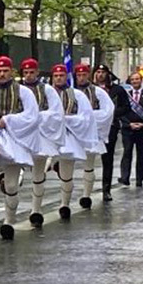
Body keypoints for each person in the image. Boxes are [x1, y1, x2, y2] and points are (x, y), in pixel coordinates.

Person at [0, 56, 40, 241]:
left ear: (11, 72)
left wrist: (9, 120)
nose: (1, 74)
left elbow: (32, 116)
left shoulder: (24, 92)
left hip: (15, 138)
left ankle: (9, 221)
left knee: (11, 186)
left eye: (5, 71)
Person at [19, 58, 63, 228]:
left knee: (38, 175)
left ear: (37, 72)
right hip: (21, 135)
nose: (29, 76)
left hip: (40, 135)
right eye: (25, 73)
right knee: (15, 166)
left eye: (31, 72)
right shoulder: (18, 90)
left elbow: (56, 113)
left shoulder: (47, 90)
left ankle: (36, 211)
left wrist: (37, 117)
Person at [48, 65, 96, 221]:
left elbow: (85, 117)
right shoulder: (46, 94)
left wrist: (66, 120)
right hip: (48, 137)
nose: (59, 78)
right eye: (56, 75)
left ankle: (64, 204)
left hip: (68, 138)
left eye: (61, 75)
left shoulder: (76, 95)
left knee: (66, 174)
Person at [73, 64, 114, 210]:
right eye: (79, 75)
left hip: (91, 133)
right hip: (73, 133)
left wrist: (88, 119)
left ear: (89, 75)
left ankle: (86, 195)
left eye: (84, 75)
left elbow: (107, 112)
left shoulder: (98, 92)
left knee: (88, 165)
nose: (81, 78)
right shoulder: (70, 92)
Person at [94, 64, 128, 202]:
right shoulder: (90, 89)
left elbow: (126, 107)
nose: (100, 75)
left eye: (103, 72)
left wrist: (112, 113)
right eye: (98, 72)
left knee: (107, 159)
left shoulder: (117, 90)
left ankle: (106, 189)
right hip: (91, 128)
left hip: (110, 128)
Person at [120, 71, 143, 188]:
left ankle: (139, 179)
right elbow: (121, 112)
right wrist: (128, 124)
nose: (135, 81)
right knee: (127, 153)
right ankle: (125, 178)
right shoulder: (125, 95)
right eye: (133, 79)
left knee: (141, 155)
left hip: (142, 130)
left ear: (141, 80)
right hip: (128, 129)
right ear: (130, 82)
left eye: (137, 79)